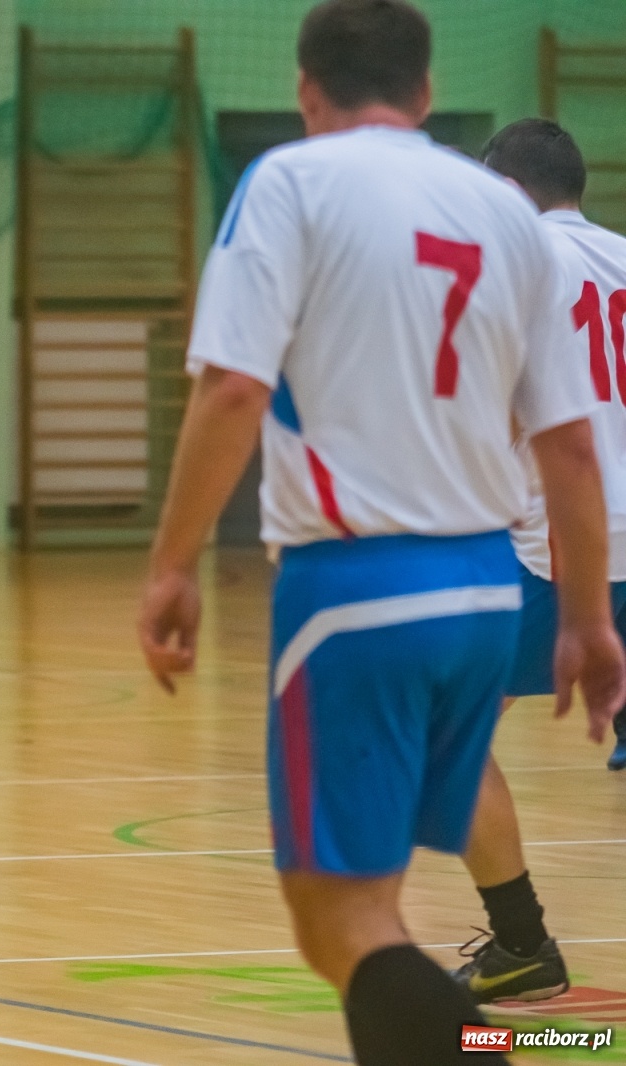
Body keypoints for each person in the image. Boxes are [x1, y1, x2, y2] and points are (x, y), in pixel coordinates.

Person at [135, 3, 625, 1063]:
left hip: (359, 593)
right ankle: (495, 1031)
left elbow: (229, 393)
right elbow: (571, 446)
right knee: (376, 907)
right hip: (486, 593)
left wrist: (171, 565)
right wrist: (585, 615)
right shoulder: (500, 212)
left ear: (309, 90)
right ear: (427, 89)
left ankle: (482, 1051)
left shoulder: (291, 183)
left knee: (339, 923)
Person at [448, 119, 626, 1005]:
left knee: (451, 736)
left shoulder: (513, 267)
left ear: (506, 191)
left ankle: (521, 943)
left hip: (561, 548)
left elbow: (494, 418)